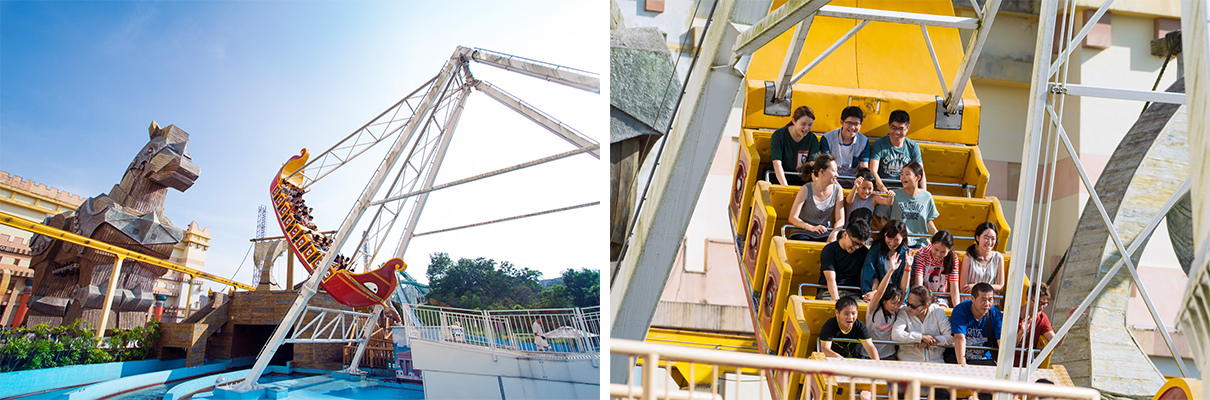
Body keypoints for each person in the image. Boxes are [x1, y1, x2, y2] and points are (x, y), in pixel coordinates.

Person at [875, 161, 938, 248]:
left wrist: (934, 231)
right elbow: (881, 216)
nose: (902, 177)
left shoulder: (927, 197)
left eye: (907, 174)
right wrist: (890, 232)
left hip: (921, 244)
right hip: (899, 243)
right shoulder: (894, 195)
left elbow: (928, 220)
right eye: (902, 174)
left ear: (917, 178)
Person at [1014, 282, 1075, 367]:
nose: (1042, 307)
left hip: (1027, 366)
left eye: (1045, 304)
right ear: (1027, 299)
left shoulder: (1042, 318)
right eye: (1039, 303)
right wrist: (1021, 332)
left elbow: (1056, 343)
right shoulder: (1013, 313)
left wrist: (1068, 322)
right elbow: (1007, 347)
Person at [788, 154, 845, 242]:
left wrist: (834, 233)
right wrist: (811, 228)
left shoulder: (838, 190)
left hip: (824, 234)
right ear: (821, 172)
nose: (836, 174)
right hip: (803, 232)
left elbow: (840, 219)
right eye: (834, 171)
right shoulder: (805, 189)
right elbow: (792, 217)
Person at [868, 110, 927, 192]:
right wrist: (885, 191)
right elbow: (873, 170)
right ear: (889, 126)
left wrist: (924, 194)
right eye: (893, 128)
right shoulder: (879, 144)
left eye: (901, 129)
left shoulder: (913, 147)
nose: (897, 132)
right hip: (884, 189)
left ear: (907, 128)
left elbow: (920, 171)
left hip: (905, 190)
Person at [892, 285, 953, 363]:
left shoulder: (937, 311)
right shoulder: (904, 311)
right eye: (908, 303)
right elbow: (896, 334)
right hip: (908, 361)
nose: (909, 307)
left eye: (913, 306)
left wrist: (929, 342)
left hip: (935, 362)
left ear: (925, 306)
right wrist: (921, 337)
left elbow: (950, 337)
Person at [948, 282, 1003, 365]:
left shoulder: (996, 314)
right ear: (973, 298)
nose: (987, 304)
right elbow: (959, 337)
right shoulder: (960, 310)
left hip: (984, 359)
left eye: (990, 300)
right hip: (958, 358)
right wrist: (962, 365)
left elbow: (1001, 341)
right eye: (983, 300)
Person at [817, 218, 871, 301]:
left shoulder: (863, 251)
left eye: (860, 244)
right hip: (827, 292)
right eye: (854, 243)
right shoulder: (829, 250)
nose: (856, 247)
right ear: (845, 235)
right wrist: (837, 301)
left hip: (851, 293)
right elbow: (830, 279)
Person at [860, 219, 910, 302]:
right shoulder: (876, 248)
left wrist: (901, 301)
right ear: (884, 235)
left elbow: (904, 284)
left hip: (895, 296)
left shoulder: (906, 254)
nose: (892, 243)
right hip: (877, 291)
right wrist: (869, 293)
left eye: (896, 240)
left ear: (903, 238)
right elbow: (869, 271)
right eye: (889, 238)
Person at [819, 106, 870, 184]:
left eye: (856, 124)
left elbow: (864, 169)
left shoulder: (864, 141)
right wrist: (839, 189)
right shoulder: (827, 138)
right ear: (842, 122)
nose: (852, 127)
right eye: (849, 123)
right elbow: (826, 166)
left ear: (861, 124)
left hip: (854, 181)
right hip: (832, 180)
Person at [770, 106, 820, 186]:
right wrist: (785, 187)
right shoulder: (779, 135)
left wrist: (816, 185)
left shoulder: (812, 139)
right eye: (803, 124)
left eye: (810, 124)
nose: (806, 128)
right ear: (794, 121)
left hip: (800, 180)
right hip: (777, 178)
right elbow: (777, 163)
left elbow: (813, 165)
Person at [912, 230, 961, 307]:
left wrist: (958, 308)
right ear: (931, 244)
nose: (938, 254)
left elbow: (954, 287)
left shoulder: (953, 258)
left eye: (943, 252)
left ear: (949, 249)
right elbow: (918, 283)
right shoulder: (922, 254)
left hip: (940, 296)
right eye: (936, 250)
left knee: (940, 311)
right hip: (923, 295)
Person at [866, 267, 905, 360]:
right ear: (884, 301)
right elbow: (880, 292)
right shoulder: (874, 309)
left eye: (897, 303)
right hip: (868, 354)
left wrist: (907, 268)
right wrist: (891, 270)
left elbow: (905, 289)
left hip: (888, 354)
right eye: (892, 303)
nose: (895, 306)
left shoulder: (896, 311)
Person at [960, 222, 1006, 297]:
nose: (990, 242)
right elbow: (963, 287)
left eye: (993, 239)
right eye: (986, 238)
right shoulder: (968, 256)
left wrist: (976, 287)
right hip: (971, 301)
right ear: (978, 238)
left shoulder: (998, 257)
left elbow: (1000, 286)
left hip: (989, 302)